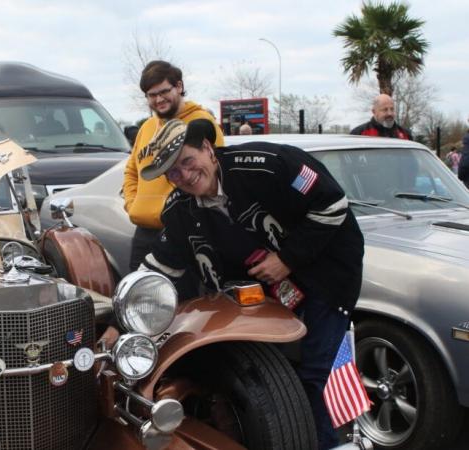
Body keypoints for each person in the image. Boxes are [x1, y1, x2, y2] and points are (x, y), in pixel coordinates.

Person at [140, 119, 364, 450]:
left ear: (207, 149)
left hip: (326, 274)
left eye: (187, 161)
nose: (184, 176)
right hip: (261, 293)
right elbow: (157, 267)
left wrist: (288, 259)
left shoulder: (269, 166)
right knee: (261, 374)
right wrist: (122, 318)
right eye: (173, 173)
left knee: (318, 375)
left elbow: (332, 205)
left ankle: (329, 444)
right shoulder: (178, 211)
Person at [123, 60, 224, 271]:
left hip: (183, 232)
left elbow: (214, 174)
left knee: (181, 302)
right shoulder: (148, 127)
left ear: (178, 86)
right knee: (135, 297)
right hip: (144, 232)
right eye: (151, 95)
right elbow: (132, 171)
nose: (158, 99)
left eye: (164, 91)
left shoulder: (201, 123)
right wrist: (133, 205)